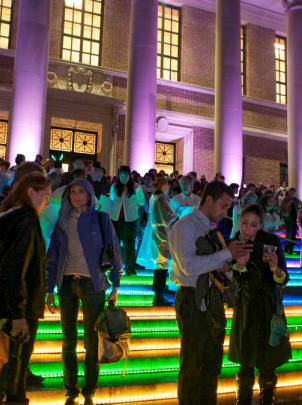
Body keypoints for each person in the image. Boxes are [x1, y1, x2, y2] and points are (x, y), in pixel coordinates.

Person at [168, 181, 252, 405]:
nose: (226, 212)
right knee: (193, 364)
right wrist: (225, 254)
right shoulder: (185, 226)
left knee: (212, 363)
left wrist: (230, 264)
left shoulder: (209, 229)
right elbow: (189, 266)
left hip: (211, 299)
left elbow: (211, 266)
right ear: (209, 200)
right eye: (223, 206)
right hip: (191, 299)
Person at [0, 173, 51, 405]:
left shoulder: (4, 216)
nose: (47, 202)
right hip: (19, 305)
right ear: (31, 192)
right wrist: (18, 313)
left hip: (1, 302)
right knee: (16, 369)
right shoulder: (26, 221)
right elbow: (16, 266)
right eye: (45, 196)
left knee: (13, 369)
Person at [46, 179, 122, 405]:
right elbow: (53, 255)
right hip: (67, 283)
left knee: (91, 339)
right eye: (72, 192)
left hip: (93, 284)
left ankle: (90, 388)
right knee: (68, 339)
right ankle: (70, 389)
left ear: (90, 195)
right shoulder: (62, 221)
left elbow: (115, 250)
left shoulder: (101, 219)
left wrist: (116, 283)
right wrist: (49, 289)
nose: (76, 196)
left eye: (81, 192)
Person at [229, 204, 291, 405]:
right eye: (244, 223)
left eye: (253, 225)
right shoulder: (235, 243)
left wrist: (276, 269)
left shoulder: (271, 242)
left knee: (267, 361)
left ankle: (267, 399)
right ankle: (243, 400)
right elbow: (230, 279)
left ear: (261, 225)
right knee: (245, 361)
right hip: (246, 306)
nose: (247, 228)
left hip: (268, 307)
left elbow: (283, 278)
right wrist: (241, 266)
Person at [137, 176, 177, 306]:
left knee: (161, 266)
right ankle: (158, 296)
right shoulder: (161, 198)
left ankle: (159, 295)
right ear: (162, 185)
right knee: (162, 267)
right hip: (163, 235)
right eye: (167, 184)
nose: (169, 187)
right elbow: (169, 216)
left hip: (158, 234)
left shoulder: (155, 197)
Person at [108, 166, 145, 276]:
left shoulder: (136, 187)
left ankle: (130, 269)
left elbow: (141, 203)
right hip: (115, 219)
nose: (124, 178)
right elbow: (110, 202)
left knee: (129, 245)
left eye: (126, 175)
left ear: (130, 176)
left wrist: (138, 218)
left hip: (131, 220)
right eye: (121, 175)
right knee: (115, 245)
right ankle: (115, 267)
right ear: (119, 176)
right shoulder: (114, 187)